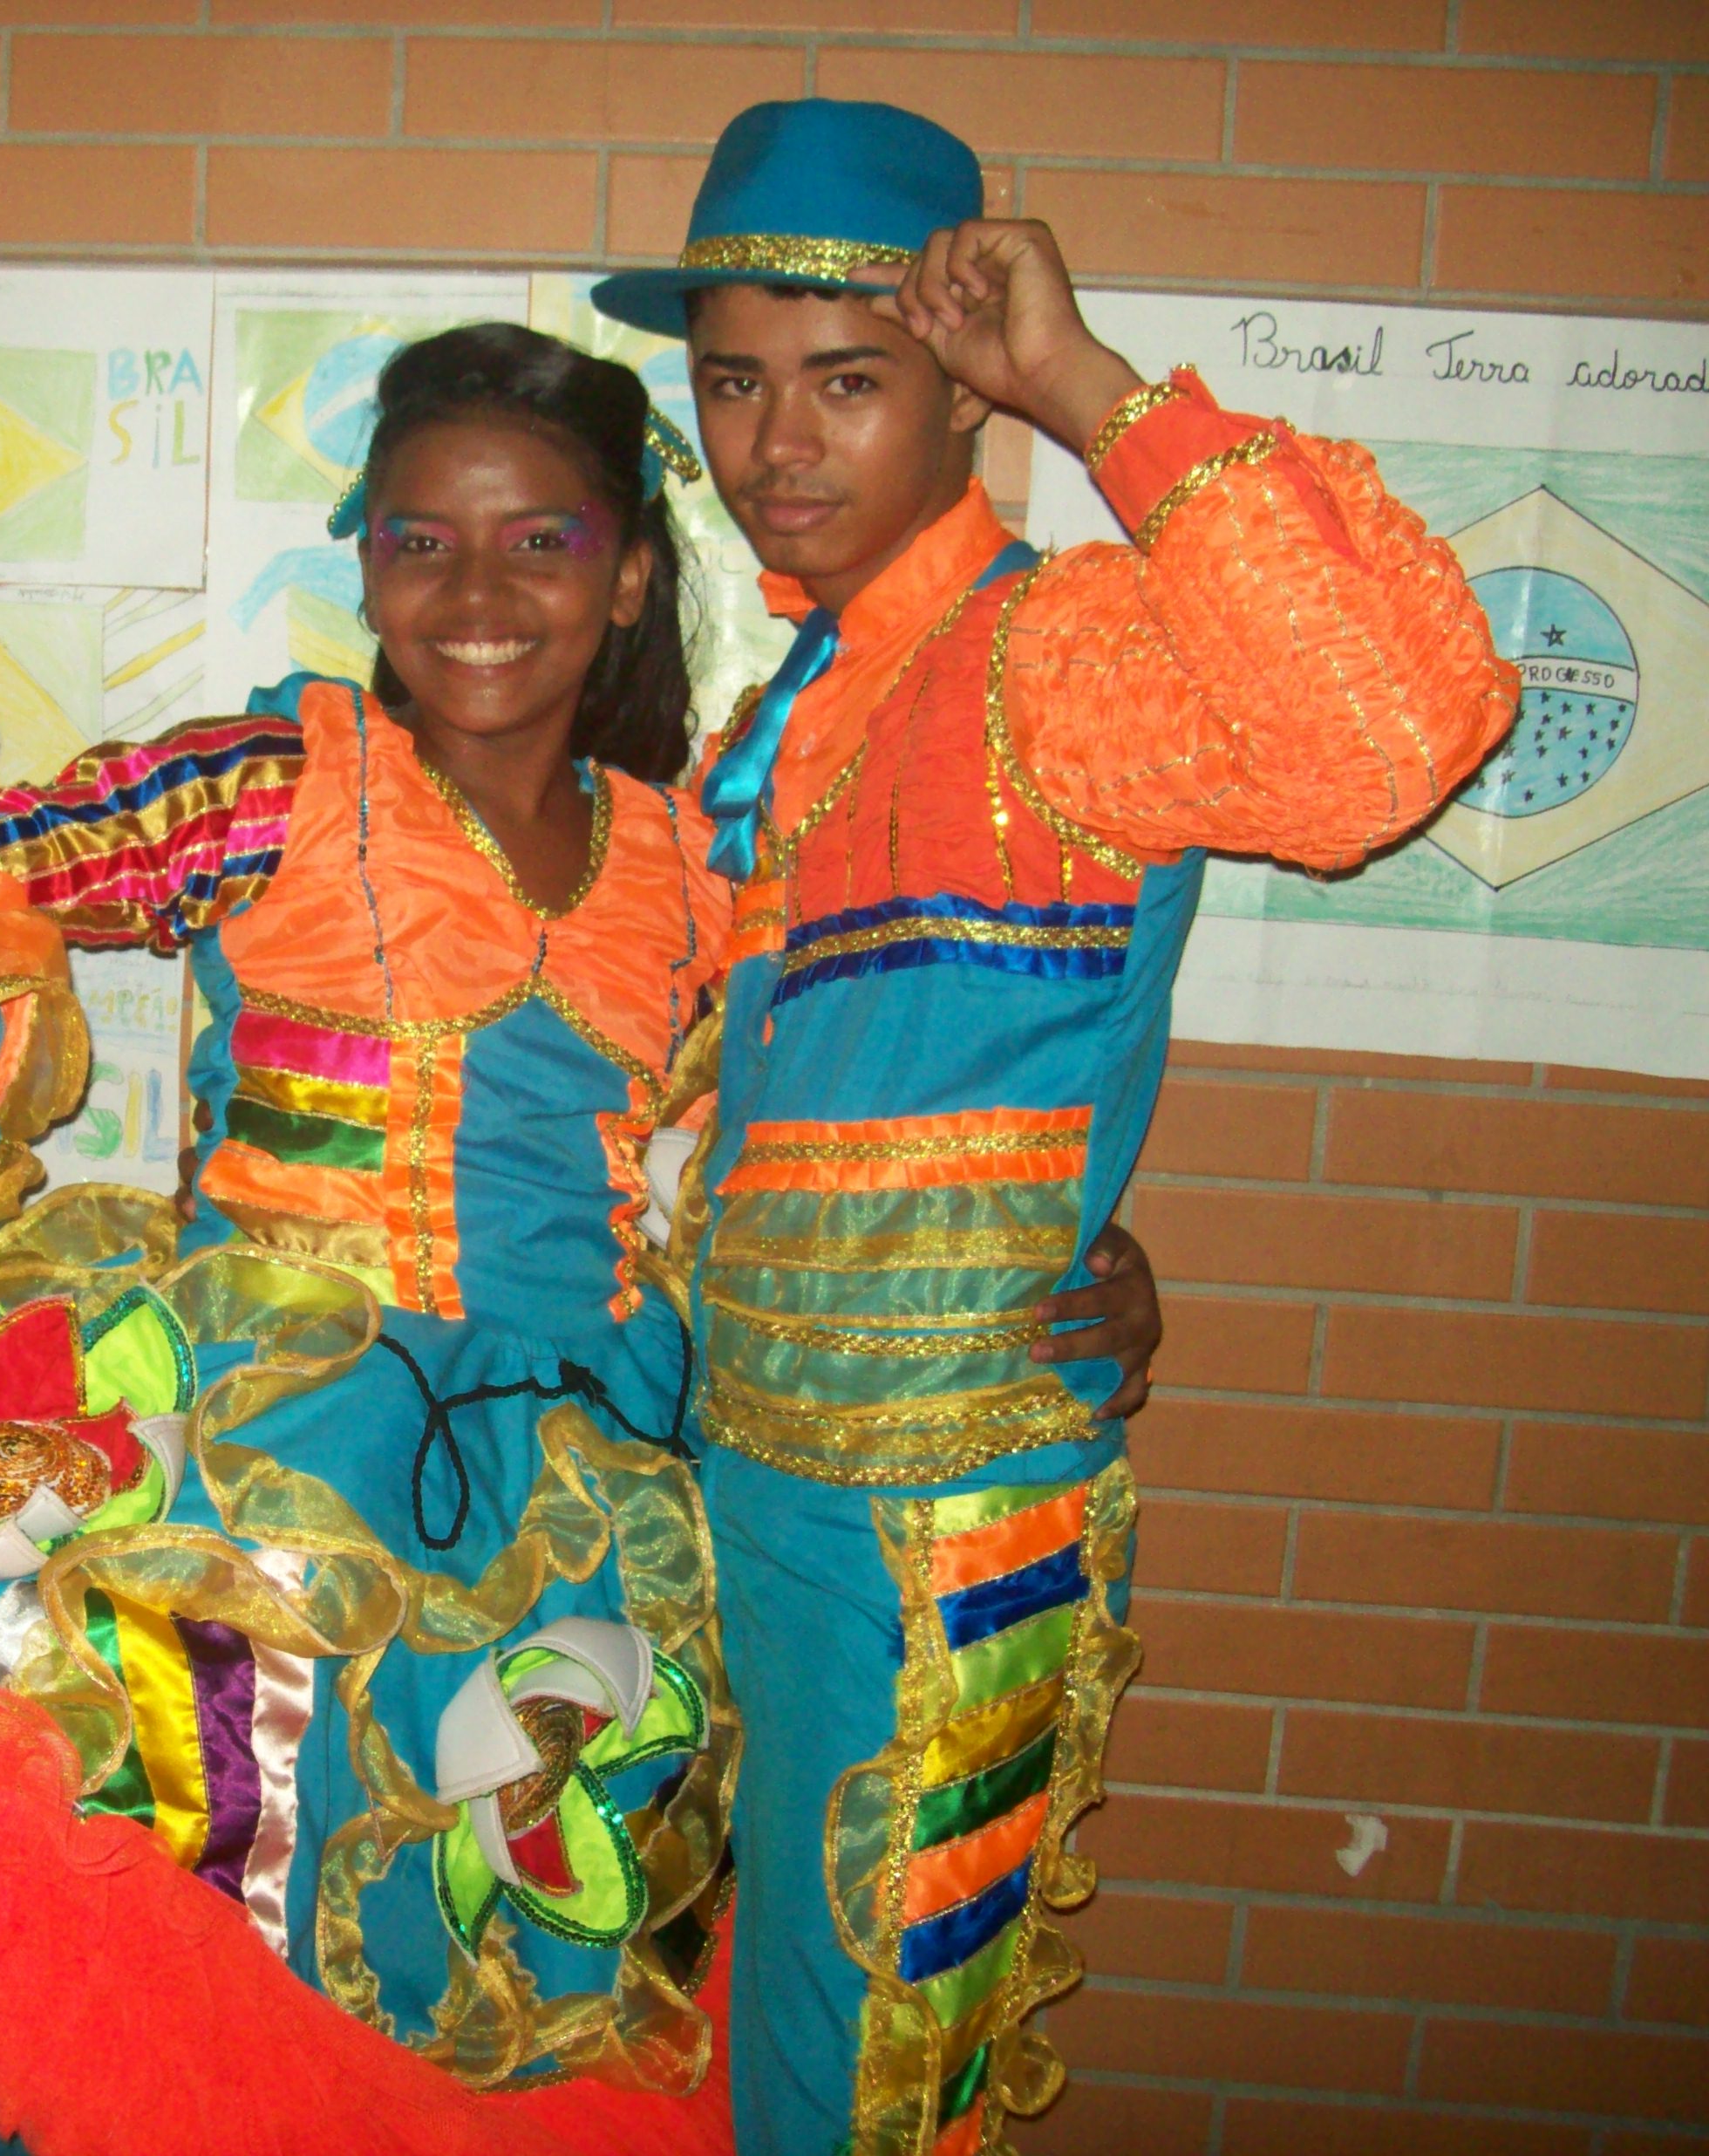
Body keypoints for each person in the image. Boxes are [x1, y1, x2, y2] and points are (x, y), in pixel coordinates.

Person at [0, 325, 1161, 2151]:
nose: (476, 592)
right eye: (419, 541)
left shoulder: (702, 864)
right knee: (172, 1956)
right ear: (368, 568)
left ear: (630, 576)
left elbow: (834, 1126)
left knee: (436, 1999)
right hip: (260, 1465)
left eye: (539, 541)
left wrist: (1071, 1259)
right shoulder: (277, 787)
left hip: (575, 1526)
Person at [586, 98, 1519, 2156]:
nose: (777, 444)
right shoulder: (778, 721)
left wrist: (1089, 385)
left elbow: (1386, 734)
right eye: (733, 384)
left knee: (866, 2069)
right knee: (737, 2013)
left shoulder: (1057, 652)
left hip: (941, 1518)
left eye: (847, 381)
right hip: (740, 1486)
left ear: (957, 391)